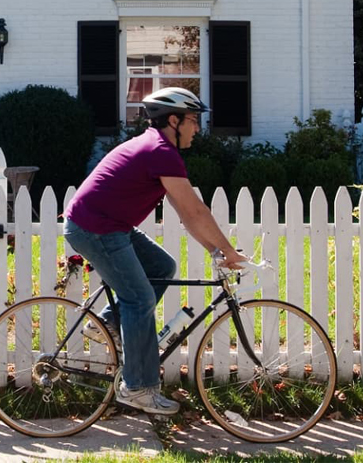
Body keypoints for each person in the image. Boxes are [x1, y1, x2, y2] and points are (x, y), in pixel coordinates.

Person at [63, 86, 248, 415]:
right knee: (140, 299)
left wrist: (215, 251)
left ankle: (107, 324)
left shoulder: (158, 148)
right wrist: (228, 249)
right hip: (95, 227)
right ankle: (137, 389)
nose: (197, 128)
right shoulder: (160, 152)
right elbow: (196, 211)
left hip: (109, 224)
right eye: (193, 120)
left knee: (162, 268)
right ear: (173, 121)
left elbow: (186, 214)